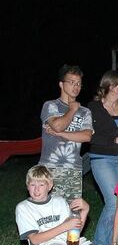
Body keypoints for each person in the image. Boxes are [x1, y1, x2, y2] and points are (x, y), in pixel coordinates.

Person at [89, 70, 118, 245]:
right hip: (102, 159)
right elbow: (90, 137)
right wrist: (115, 140)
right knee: (113, 201)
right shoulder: (93, 108)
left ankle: (114, 240)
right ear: (112, 86)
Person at [39, 64, 93, 203]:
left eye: (79, 84)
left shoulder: (85, 111)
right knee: (46, 212)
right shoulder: (50, 105)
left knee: (71, 214)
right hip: (48, 168)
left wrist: (61, 134)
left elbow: (86, 136)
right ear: (61, 84)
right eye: (71, 82)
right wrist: (72, 110)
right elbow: (57, 126)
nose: (76, 87)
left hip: (73, 169)